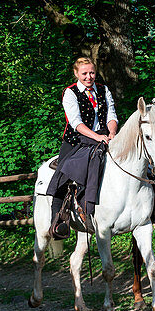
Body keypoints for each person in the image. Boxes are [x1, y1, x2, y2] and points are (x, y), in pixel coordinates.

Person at [46, 57, 118, 238]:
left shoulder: (103, 89)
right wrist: (97, 136)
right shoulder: (70, 92)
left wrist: (112, 133)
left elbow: (111, 114)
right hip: (76, 140)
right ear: (76, 74)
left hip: (103, 137)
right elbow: (75, 122)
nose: (89, 77)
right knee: (63, 174)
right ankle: (58, 221)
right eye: (84, 73)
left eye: (92, 72)